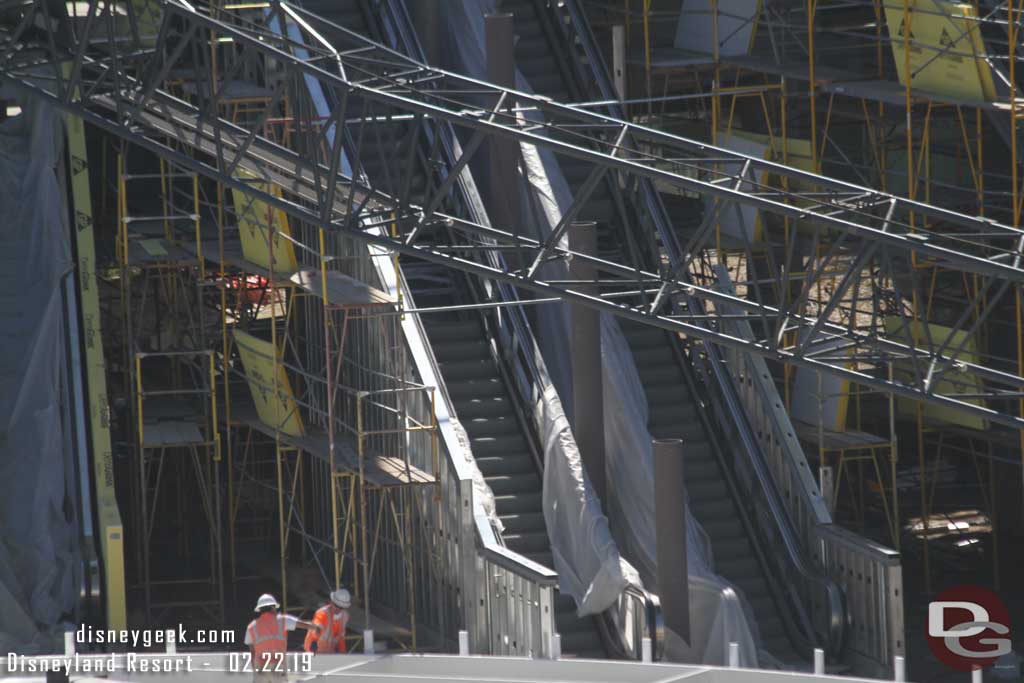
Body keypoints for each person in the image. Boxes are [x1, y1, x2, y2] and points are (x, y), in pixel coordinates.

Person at [244, 593, 317, 682]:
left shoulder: (251, 627)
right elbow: (304, 625)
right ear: (272, 607)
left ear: (259, 609)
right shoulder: (283, 620)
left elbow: (253, 654)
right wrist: (318, 627)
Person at [303, 589, 351, 655]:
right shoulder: (323, 613)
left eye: (341, 607)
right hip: (313, 650)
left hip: (328, 653)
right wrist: (314, 640)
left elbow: (341, 637)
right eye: (336, 605)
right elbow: (317, 628)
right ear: (331, 602)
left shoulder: (345, 616)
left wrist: (343, 653)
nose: (338, 609)